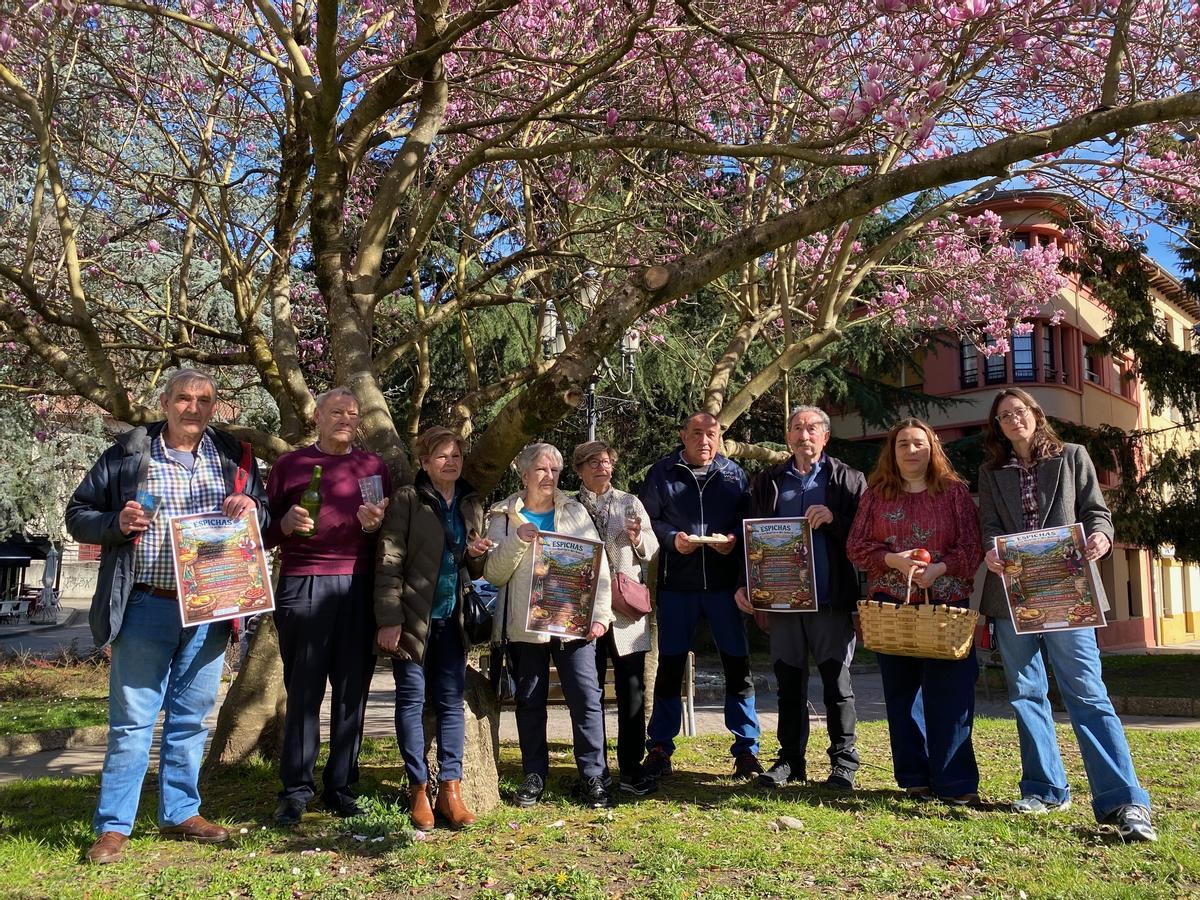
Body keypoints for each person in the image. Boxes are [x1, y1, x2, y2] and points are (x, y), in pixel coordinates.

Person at [65, 369, 268, 865]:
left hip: (211, 605)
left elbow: (260, 512)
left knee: (191, 718)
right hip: (146, 602)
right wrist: (116, 522)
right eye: (183, 398)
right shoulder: (128, 454)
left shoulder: (233, 457)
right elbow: (77, 514)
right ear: (165, 402)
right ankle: (114, 826)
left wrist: (252, 505)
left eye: (203, 399)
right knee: (133, 721)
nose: (192, 407)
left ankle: (180, 812)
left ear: (214, 406)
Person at [978, 387, 1156, 842]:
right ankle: (1044, 788)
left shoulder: (1073, 456)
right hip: (1013, 598)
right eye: (1004, 416)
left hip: (1069, 591)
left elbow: (1097, 513)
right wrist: (992, 552)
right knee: (1025, 693)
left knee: (1087, 693)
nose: (1013, 419)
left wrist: (1100, 538)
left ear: (1035, 415)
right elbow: (991, 529)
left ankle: (1123, 800)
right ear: (997, 427)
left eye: (1020, 411)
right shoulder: (991, 472)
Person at [264, 387, 390, 826]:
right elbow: (262, 532)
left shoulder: (373, 467)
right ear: (316, 416)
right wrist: (284, 523)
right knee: (303, 689)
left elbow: (387, 531)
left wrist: (375, 526)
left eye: (353, 414)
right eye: (336, 412)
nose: (345, 419)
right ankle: (295, 790)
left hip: (358, 582)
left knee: (352, 689)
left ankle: (341, 785)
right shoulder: (290, 465)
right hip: (303, 582)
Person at [847, 417, 983, 804]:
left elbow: (971, 549)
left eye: (919, 443)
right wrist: (895, 561)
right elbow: (856, 548)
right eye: (903, 444)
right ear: (892, 451)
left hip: (946, 606)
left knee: (952, 697)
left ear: (932, 448)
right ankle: (914, 779)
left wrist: (938, 569)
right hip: (892, 608)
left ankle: (955, 785)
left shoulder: (954, 494)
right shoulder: (876, 494)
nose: (911, 451)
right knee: (902, 698)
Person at [734, 406, 866, 790]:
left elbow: (868, 538)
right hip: (783, 603)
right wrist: (747, 583)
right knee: (789, 685)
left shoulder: (848, 479)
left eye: (812, 428)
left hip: (830, 600)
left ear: (825, 436)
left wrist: (836, 520)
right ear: (788, 436)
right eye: (796, 428)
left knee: (836, 686)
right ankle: (791, 761)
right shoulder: (767, 481)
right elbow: (751, 539)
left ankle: (844, 764)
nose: (803, 434)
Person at [484, 443, 615, 809]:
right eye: (541, 470)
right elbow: (492, 574)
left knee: (586, 699)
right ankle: (534, 774)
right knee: (530, 701)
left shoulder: (575, 511)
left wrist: (600, 617)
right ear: (524, 475)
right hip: (524, 629)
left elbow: (598, 568)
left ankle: (593, 776)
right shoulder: (503, 516)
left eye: (555, 470)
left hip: (573, 625)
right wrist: (517, 541)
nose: (549, 477)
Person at [375, 427, 492, 831]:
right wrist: (389, 619)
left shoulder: (471, 502)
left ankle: (451, 790)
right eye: (442, 456)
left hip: (452, 619)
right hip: (412, 620)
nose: (451, 461)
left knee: (450, 703)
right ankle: (418, 789)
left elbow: (474, 569)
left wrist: (475, 555)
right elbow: (389, 560)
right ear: (424, 463)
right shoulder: (408, 500)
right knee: (411, 702)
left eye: (456, 455)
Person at [639, 411, 761, 780]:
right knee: (670, 667)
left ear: (719, 436)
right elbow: (647, 521)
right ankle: (660, 747)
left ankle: (747, 750)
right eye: (696, 434)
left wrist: (735, 542)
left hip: (725, 587)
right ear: (683, 435)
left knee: (737, 665)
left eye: (711, 434)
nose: (704, 441)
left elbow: (749, 522)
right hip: (678, 586)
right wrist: (671, 540)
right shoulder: (662, 473)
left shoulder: (734, 474)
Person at [572, 440, 660, 797]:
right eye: (594, 462)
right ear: (579, 469)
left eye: (607, 462)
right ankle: (595, 771)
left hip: (626, 613)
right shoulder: (569, 506)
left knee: (632, 691)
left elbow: (652, 550)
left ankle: (631, 768)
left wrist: (639, 539)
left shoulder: (630, 502)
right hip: (583, 610)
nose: (602, 468)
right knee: (587, 694)